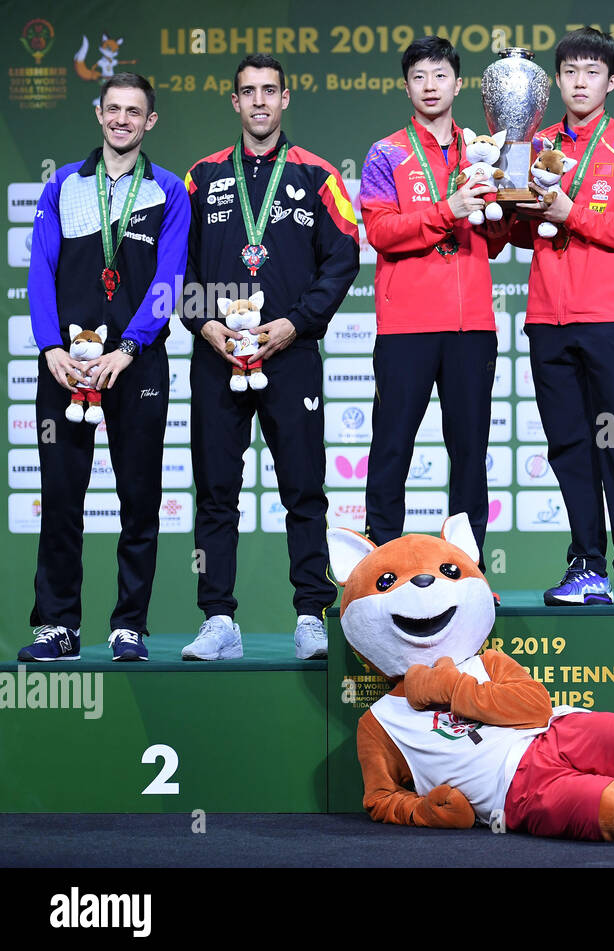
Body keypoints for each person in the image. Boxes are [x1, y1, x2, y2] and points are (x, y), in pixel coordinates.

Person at [180, 53, 359, 661]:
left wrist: (295, 323)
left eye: (269, 91)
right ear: (234, 102)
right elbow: (177, 268)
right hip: (218, 358)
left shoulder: (319, 177)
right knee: (216, 492)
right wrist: (206, 327)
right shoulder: (200, 178)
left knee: (303, 491)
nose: (258, 101)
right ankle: (218, 618)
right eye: (247, 92)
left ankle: (311, 614)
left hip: (290, 355)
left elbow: (344, 257)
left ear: (287, 99)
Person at [19, 73, 189, 664]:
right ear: (98, 114)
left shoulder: (169, 190)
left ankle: (128, 626)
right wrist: (50, 349)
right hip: (63, 366)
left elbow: (170, 283)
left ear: (151, 121)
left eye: (134, 111)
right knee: (61, 495)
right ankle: (57, 624)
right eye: (113, 108)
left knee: (139, 498)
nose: (122, 119)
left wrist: (131, 346)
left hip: (135, 365)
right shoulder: (61, 186)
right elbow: (40, 274)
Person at [511, 26, 614, 606]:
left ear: (612, 81)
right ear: (556, 79)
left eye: (592, 72)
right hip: (548, 319)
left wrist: (572, 212)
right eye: (570, 71)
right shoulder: (533, 140)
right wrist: (502, 200)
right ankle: (585, 566)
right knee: (569, 446)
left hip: (611, 321)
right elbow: (522, 233)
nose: (580, 81)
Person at [359, 36, 505, 560]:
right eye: (419, 76)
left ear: (458, 84)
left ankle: (468, 567)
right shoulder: (386, 153)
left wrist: (510, 203)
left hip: (472, 329)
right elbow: (381, 231)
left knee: (470, 455)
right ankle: (377, 566)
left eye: (440, 75)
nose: (430, 86)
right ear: (406, 86)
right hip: (406, 327)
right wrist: (449, 209)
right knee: (392, 448)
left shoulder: (484, 151)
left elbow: (496, 239)